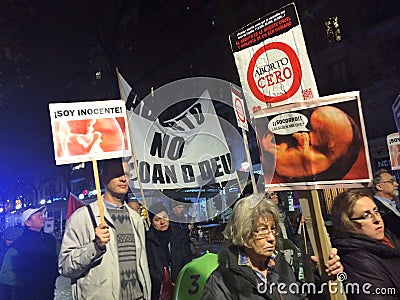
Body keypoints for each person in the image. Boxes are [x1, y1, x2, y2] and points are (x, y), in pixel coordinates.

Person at [201, 194, 343, 299]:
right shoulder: (222, 281)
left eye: (272, 229)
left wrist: (323, 276)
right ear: (243, 234)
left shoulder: (281, 267)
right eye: (262, 230)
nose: (271, 237)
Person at [59, 158, 151, 300]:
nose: (123, 179)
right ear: (103, 178)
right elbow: (65, 267)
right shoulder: (82, 217)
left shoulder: (136, 218)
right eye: (117, 174)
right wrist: (95, 247)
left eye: (127, 174)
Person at [330, 189, 400, 299]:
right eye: (366, 215)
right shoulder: (357, 260)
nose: (377, 219)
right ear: (348, 223)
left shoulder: (389, 239)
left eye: (376, 211)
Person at [261, 106, 361, 181]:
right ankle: (269, 146)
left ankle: (269, 147)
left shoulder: (322, 160)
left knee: (279, 155)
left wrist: (303, 141)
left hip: (284, 164)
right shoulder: (320, 150)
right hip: (283, 162)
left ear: (330, 144)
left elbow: (306, 156)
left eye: (315, 132)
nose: (309, 133)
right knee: (279, 150)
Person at [0, 206, 58, 300]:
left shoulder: (50, 240)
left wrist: (53, 274)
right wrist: (30, 280)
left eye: (41, 215)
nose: (42, 218)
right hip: (27, 294)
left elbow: (56, 261)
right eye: (37, 216)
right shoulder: (19, 244)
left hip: (47, 292)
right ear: (28, 222)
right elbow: (5, 274)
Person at [145, 203, 173, 299]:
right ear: (152, 222)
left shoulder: (177, 236)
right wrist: (160, 279)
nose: (162, 222)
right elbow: (149, 265)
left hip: (180, 283)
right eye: (157, 220)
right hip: (159, 288)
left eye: (165, 217)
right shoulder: (148, 240)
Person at [372, 168, 400, 239]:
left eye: (395, 181)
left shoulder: (394, 204)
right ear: (379, 186)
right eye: (391, 182)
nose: (396, 184)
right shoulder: (375, 207)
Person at [169, 199, 193, 281]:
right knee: (177, 271)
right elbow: (174, 233)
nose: (181, 209)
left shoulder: (183, 218)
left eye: (182, 207)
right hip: (176, 249)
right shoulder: (171, 218)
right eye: (179, 207)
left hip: (185, 248)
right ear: (174, 208)